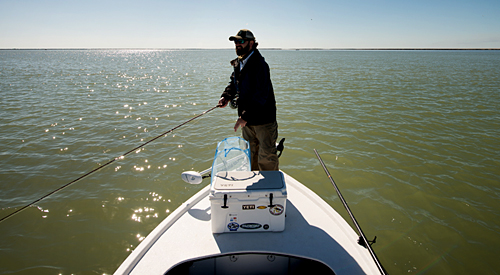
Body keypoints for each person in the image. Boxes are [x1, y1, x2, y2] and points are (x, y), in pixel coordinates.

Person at [218, 29, 279, 171]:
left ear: (251, 43)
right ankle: (256, 187)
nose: (237, 45)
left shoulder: (260, 64)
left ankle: (269, 188)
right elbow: (234, 83)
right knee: (251, 155)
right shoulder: (240, 62)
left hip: (263, 121)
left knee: (267, 157)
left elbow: (261, 95)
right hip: (246, 121)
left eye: (240, 41)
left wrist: (244, 116)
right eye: (235, 42)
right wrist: (226, 96)